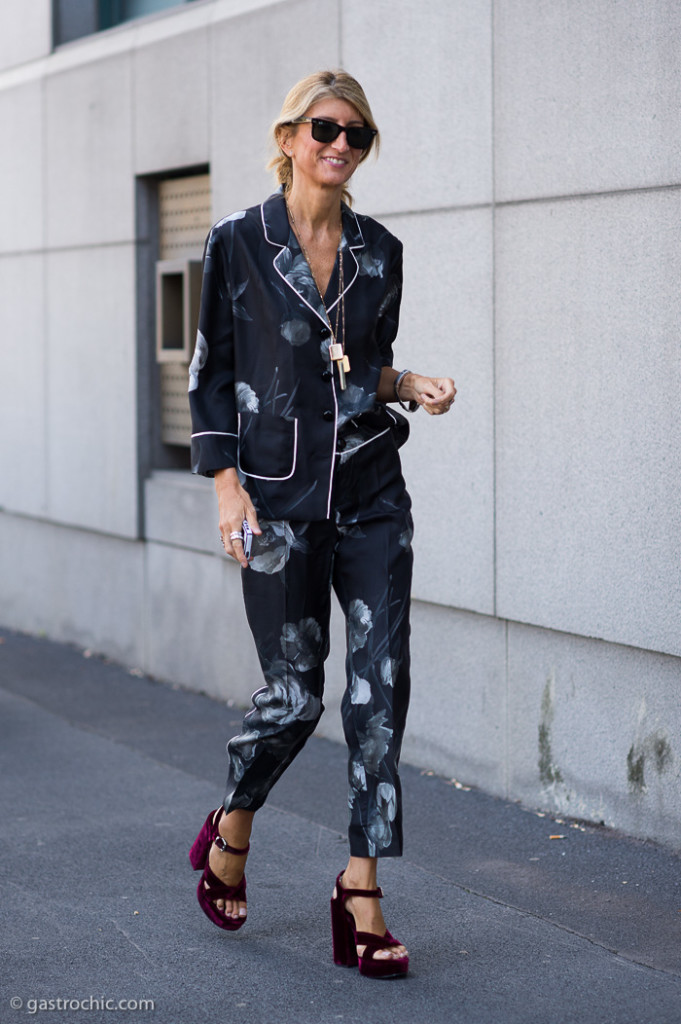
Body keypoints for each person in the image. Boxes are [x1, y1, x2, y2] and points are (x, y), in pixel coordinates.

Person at [187, 69, 456, 979]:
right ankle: (233, 817)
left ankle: (361, 889)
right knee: (294, 696)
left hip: (371, 493)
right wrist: (227, 488)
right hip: (273, 501)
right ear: (290, 134)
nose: (339, 145)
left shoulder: (381, 252)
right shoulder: (236, 243)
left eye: (357, 135)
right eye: (324, 128)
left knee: (380, 691)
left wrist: (405, 381)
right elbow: (210, 373)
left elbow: (356, 371)